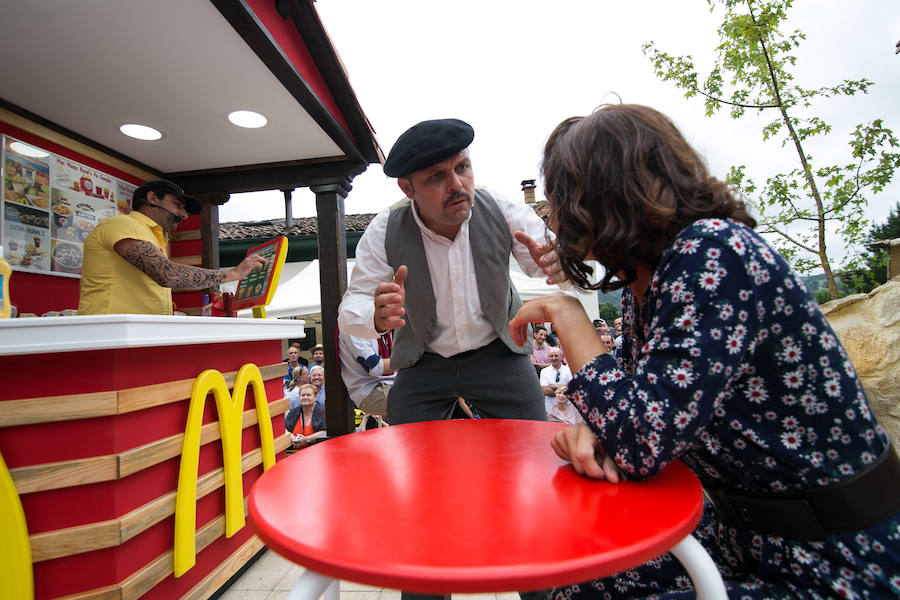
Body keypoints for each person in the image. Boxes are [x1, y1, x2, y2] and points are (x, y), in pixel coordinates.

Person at [509, 104, 900, 599]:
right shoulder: (645, 285)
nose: (553, 214)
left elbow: (641, 440)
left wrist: (570, 317)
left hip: (837, 558)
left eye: (558, 198)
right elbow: (642, 417)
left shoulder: (712, 254)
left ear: (599, 196)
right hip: (741, 538)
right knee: (568, 574)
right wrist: (596, 431)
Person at [338, 118, 563, 426]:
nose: (457, 184)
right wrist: (375, 317)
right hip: (423, 362)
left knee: (532, 443)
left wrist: (556, 263)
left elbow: (551, 265)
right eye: (436, 177)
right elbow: (351, 307)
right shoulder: (385, 228)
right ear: (407, 188)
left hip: (499, 354)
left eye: (462, 167)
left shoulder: (500, 207)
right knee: (410, 455)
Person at [78, 179, 267, 315]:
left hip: (133, 334)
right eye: (178, 205)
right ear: (152, 198)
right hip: (110, 333)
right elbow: (167, 274)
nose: (184, 215)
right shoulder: (123, 223)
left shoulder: (154, 235)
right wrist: (232, 274)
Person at [338, 331, 396, 417]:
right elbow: (375, 366)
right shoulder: (354, 326)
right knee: (419, 400)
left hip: (392, 384)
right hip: (371, 391)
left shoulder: (384, 328)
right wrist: (412, 361)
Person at [284, 383, 326, 451]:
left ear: (315, 397)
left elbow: (325, 432)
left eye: (308, 395)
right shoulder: (293, 412)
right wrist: (291, 437)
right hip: (293, 453)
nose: (305, 397)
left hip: (317, 452)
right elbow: (285, 429)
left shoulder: (323, 412)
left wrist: (307, 439)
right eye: (303, 395)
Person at [539, 347, 571, 413]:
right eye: (551, 356)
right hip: (550, 409)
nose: (554, 358)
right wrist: (562, 389)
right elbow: (544, 391)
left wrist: (554, 387)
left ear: (561, 357)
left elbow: (571, 389)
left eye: (556, 355)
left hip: (567, 408)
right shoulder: (544, 371)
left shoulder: (569, 370)